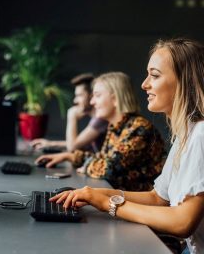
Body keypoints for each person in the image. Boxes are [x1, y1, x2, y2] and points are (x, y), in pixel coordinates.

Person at [50, 39, 204, 254]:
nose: (145, 84)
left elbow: (182, 223)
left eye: (155, 75)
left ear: (185, 82)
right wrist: (94, 193)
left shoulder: (200, 135)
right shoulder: (185, 135)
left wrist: (108, 204)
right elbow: (158, 198)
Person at [36, 72, 165, 192]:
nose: (92, 102)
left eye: (97, 96)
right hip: (123, 200)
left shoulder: (139, 128)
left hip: (144, 208)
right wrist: (69, 156)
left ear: (115, 99)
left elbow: (109, 169)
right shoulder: (115, 127)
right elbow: (102, 158)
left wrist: (86, 167)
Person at [30, 73, 108, 153]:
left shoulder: (101, 119)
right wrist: (50, 144)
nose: (75, 100)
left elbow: (72, 147)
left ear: (91, 96)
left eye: (79, 95)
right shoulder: (97, 118)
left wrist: (71, 116)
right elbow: (80, 143)